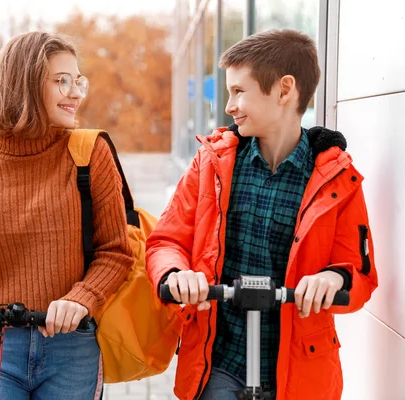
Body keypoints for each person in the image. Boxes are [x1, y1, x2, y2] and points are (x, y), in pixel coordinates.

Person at [146, 29, 378, 400]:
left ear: (285, 91)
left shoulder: (337, 178)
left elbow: (360, 273)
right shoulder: (212, 164)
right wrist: (177, 274)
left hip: (301, 373)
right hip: (219, 364)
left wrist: (333, 279)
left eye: (239, 91)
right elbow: (166, 241)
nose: (229, 106)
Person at [0, 31, 133, 400]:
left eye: (78, 81)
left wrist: (81, 298)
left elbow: (115, 252)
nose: (76, 92)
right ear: (23, 85)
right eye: (62, 81)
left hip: (72, 346)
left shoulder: (90, 154)